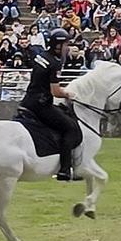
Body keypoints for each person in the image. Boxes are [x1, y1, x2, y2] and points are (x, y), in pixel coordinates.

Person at [21, 29, 82, 180]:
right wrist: (69, 94)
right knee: (70, 128)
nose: (67, 47)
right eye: (66, 44)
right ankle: (65, 169)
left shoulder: (41, 56)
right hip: (41, 105)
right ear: (58, 45)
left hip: (29, 99)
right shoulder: (55, 63)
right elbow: (55, 91)